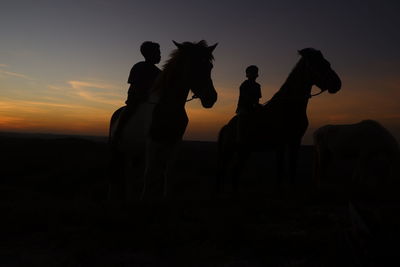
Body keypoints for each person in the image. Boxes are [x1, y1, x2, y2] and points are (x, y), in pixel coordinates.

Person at [113, 41, 162, 143]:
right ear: (149, 54)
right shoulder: (139, 67)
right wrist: (142, 96)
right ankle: (117, 134)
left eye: (159, 53)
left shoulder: (159, 72)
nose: (160, 55)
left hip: (153, 100)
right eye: (157, 53)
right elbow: (134, 84)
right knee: (130, 110)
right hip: (136, 99)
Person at [235, 65, 262, 143]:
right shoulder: (244, 85)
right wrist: (253, 103)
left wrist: (257, 105)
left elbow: (257, 99)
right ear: (248, 74)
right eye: (252, 72)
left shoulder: (258, 86)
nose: (254, 74)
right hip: (243, 108)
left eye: (255, 72)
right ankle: (239, 139)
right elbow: (245, 98)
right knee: (242, 119)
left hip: (254, 107)